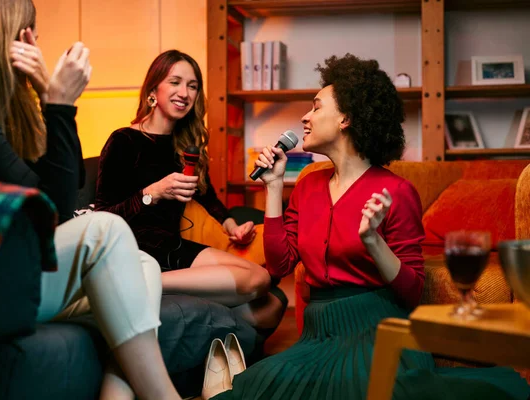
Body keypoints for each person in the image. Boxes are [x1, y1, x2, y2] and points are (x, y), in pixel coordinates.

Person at [211, 54, 530, 400]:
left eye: (316, 107)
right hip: (319, 334)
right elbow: (279, 265)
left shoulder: (396, 191)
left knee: (360, 389)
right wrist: (273, 187)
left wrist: (373, 241)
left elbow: (412, 291)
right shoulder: (306, 186)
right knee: (256, 390)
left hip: (377, 326)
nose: (305, 117)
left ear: (346, 118)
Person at [0, 1, 180, 399]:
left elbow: (63, 184)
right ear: (10, 37)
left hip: (7, 271)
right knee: (106, 228)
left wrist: (51, 97)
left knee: (144, 263)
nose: (38, 43)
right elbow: (53, 216)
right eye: (31, 32)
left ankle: (118, 394)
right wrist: (59, 105)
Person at [95, 50, 285, 331]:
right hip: (135, 249)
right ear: (153, 90)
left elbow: (207, 196)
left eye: (192, 85)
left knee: (271, 304)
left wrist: (231, 226)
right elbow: (102, 216)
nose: (184, 92)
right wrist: (153, 192)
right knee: (257, 280)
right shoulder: (124, 140)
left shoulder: (184, 146)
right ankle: (141, 281)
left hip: (170, 248)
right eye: (175, 82)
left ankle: (181, 300)